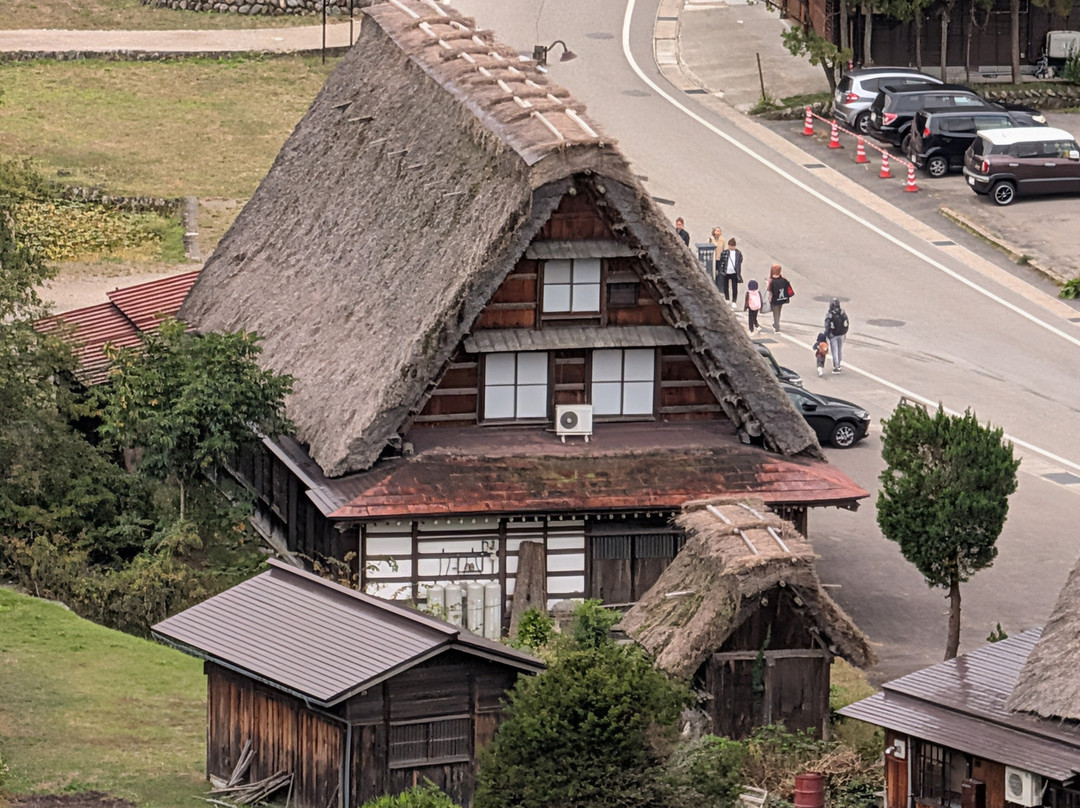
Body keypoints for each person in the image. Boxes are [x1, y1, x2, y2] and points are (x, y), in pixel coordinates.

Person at [715, 238, 743, 308]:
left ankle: (734, 301)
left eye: (732, 246)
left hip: (734, 272)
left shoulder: (738, 253)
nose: (731, 247)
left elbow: (740, 261)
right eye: (730, 246)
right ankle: (727, 299)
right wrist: (722, 270)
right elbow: (722, 260)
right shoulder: (725, 252)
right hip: (726, 271)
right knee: (725, 286)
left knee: (734, 287)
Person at [824, 298, 849, 373]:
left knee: (834, 350)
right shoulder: (842, 312)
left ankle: (836, 366)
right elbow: (846, 322)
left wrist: (827, 334)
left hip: (833, 334)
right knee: (839, 350)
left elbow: (827, 325)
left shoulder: (830, 314)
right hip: (842, 334)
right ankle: (839, 363)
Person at [767, 263, 793, 332]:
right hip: (781, 298)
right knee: (779, 310)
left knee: (775, 311)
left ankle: (776, 325)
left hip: (774, 298)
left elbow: (769, 290)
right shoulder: (783, 279)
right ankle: (776, 323)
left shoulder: (771, 280)